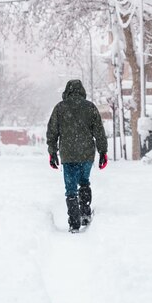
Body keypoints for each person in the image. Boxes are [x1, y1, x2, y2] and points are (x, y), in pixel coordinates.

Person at [47, 79, 108, 232]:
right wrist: (103, 152)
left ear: (67, 91)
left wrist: (52, 152)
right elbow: (99, 132)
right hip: (86, 154)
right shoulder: (90, 108)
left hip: (68, 155)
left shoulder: (60, 108)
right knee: (84, 181)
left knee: (70, 189)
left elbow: (52, 132)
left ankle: (74, 222)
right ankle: (85, 213)